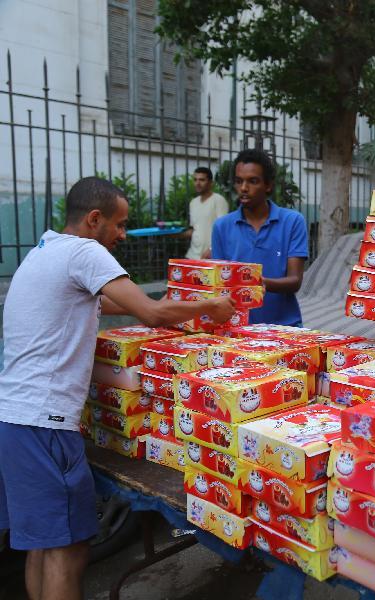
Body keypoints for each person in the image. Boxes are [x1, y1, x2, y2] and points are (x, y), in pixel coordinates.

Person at [0, 177, 235, 600]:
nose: (123, 236)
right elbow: (151, 314)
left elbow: (106, 302)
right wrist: (209, 305)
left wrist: (180, 299)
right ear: (94, 220)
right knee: (68, 551)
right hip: (46, 424)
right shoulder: (84, 251)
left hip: (15, 419)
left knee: (42, 543)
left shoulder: (45, 251)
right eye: (120, 225)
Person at [211, 149, 309, 326]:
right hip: (237, 329)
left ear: (268, 185)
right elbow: (219, 284)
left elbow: (295, 281)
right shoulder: (221, 227)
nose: (243, 188)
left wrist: (258, 282)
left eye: (253, 181)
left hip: (285, 328)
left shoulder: (293, 221)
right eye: (239, 181)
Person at [184, 167, 229, 259]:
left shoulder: (219, 200)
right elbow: (194, 230)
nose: (198, 183)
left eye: (202, 180)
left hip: (211, 256)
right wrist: (169, 233)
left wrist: (212, 249)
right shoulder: (193, 203)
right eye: (195, 180)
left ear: (211, 183)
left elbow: (225, 229)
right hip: (192, 255)